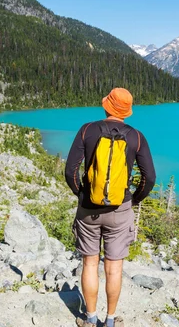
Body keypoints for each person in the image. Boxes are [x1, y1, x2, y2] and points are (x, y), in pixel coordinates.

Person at [65, 87, 156, 327]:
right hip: (120, 210)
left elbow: (70, 171)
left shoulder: (87, 130)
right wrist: (133, 200)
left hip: (88, 209)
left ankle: (90, 318)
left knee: (90, 263)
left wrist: (82, 194)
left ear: (106, 105)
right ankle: (111, 320)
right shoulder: (136, 137)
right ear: (127, 111)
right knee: (114, 269)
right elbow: (150, 179)